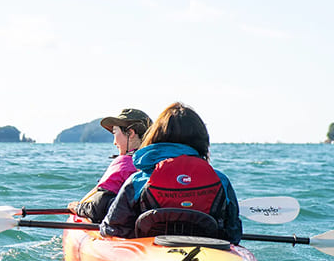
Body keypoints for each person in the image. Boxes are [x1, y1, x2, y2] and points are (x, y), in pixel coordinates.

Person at [99, 102, 242, 244]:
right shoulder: (221, 181)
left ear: (156, 136)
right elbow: (233, 234)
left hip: (151, 257)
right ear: (202, 140)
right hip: (207, 256)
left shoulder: (138, 181)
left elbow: (112, 228)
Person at [68, 108, 152, 223]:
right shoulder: (163, 161)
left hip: (128, 231)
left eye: (115, 133)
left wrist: (78, 208)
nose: (114, 142)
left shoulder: (123, 163)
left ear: (131, 133)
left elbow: (98, 209)